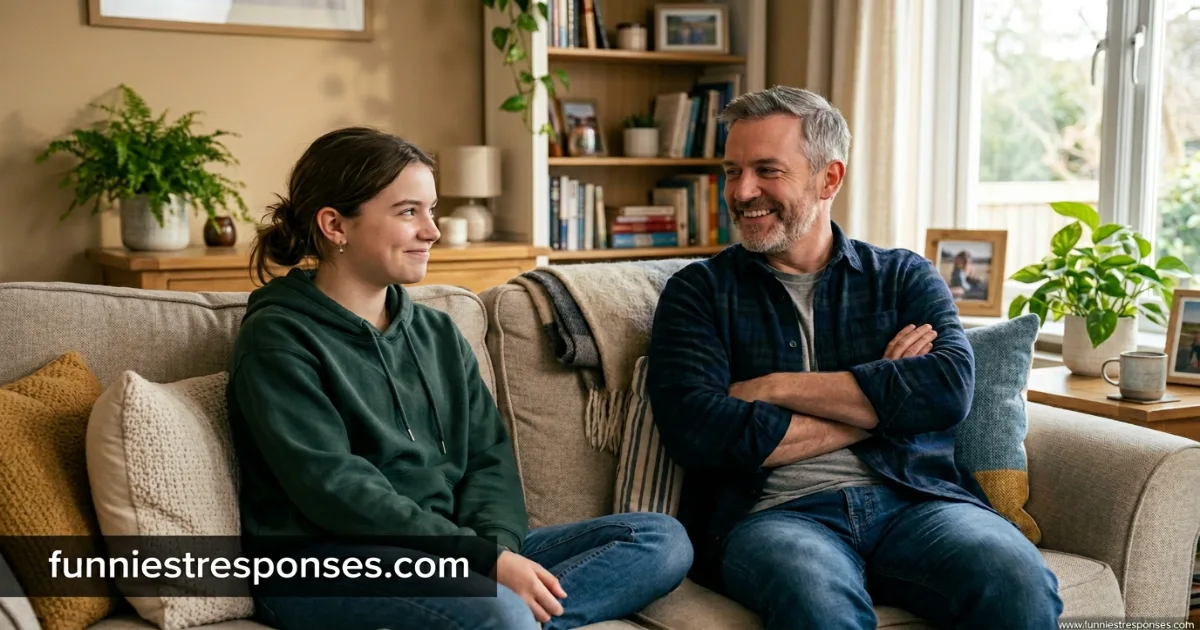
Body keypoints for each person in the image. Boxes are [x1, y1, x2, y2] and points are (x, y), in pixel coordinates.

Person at [228, 127, 692, 630]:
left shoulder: (438, 333)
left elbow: (489, 461)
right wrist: (481, 563)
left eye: (431, 210)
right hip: (324, 564)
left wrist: (494, 552)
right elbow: (334, 489)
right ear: (335, 225)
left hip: (449, 551)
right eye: (408, 211)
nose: (432, 231)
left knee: (660, 540)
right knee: (498, 609)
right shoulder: (278, 337)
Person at [646, 87, 1062, 630]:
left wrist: (771, 387)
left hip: (916, 500)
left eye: (767, 171)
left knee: (1017, 578)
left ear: (829, 178)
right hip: (775, 517)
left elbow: (947, 390)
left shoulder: (903, 277)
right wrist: (886, 401)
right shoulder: (698, 292)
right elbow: (697, 430)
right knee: (817, 602)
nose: (743, 192)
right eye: (732, 172)